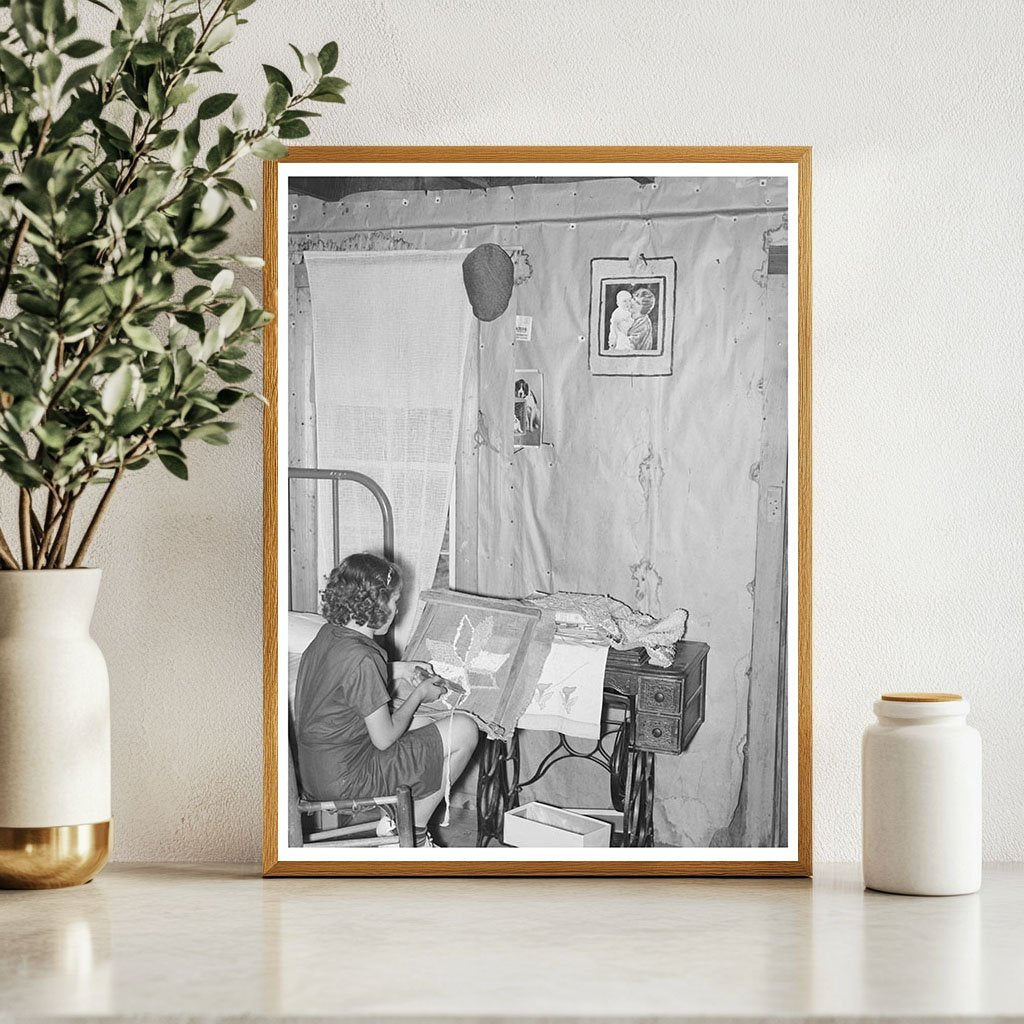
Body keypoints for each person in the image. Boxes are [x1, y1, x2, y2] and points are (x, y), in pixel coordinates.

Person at [293, 552, 480, 848]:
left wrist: (400, 669)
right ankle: (412, 834)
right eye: (395, 601)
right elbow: (385, 738)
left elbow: (344, 680)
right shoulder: (364, 657)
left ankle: (396, 816)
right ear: (377, 604)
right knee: (466, 730)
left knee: (428, 723)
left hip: (317, 771)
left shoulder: (328, 636)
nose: (397, 609)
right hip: (347, 780)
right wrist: (419, 694)